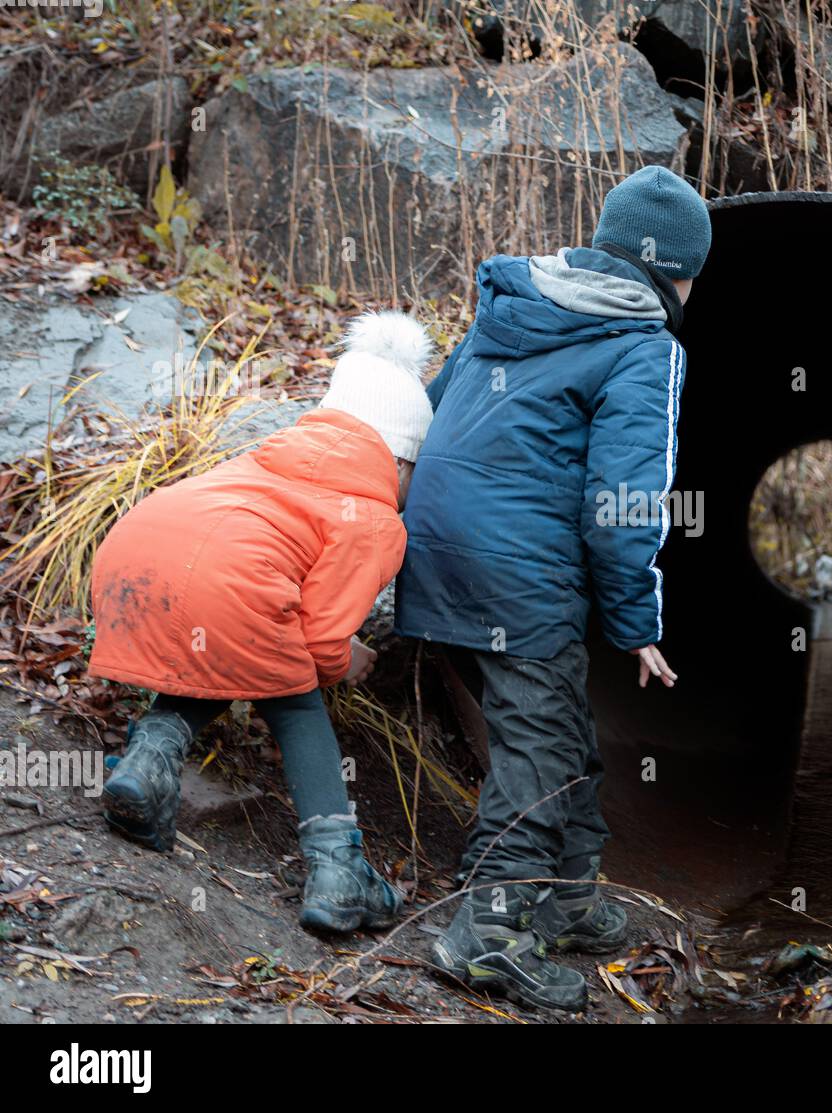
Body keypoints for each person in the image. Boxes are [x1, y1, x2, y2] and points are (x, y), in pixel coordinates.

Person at [395, 164, 711, 1010]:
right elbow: (624, 503)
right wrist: (637, 617)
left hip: (432, 544)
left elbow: (428, 409)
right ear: (676, 272)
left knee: (560, 722)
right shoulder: (648, 346)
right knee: (538, 745)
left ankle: (568, 898)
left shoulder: (514, 302)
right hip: (516, 565)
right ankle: (485, 932)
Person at [88, 311, 433, 935]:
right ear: (403, 461)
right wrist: (345, 660)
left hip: (133, 557)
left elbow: (255, 595)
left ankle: (147, 764)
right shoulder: (377, 516)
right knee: (293, 695)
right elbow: (323, 639)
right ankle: (338, 870)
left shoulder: (270, 462)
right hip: (225, 586)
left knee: (228, 647)